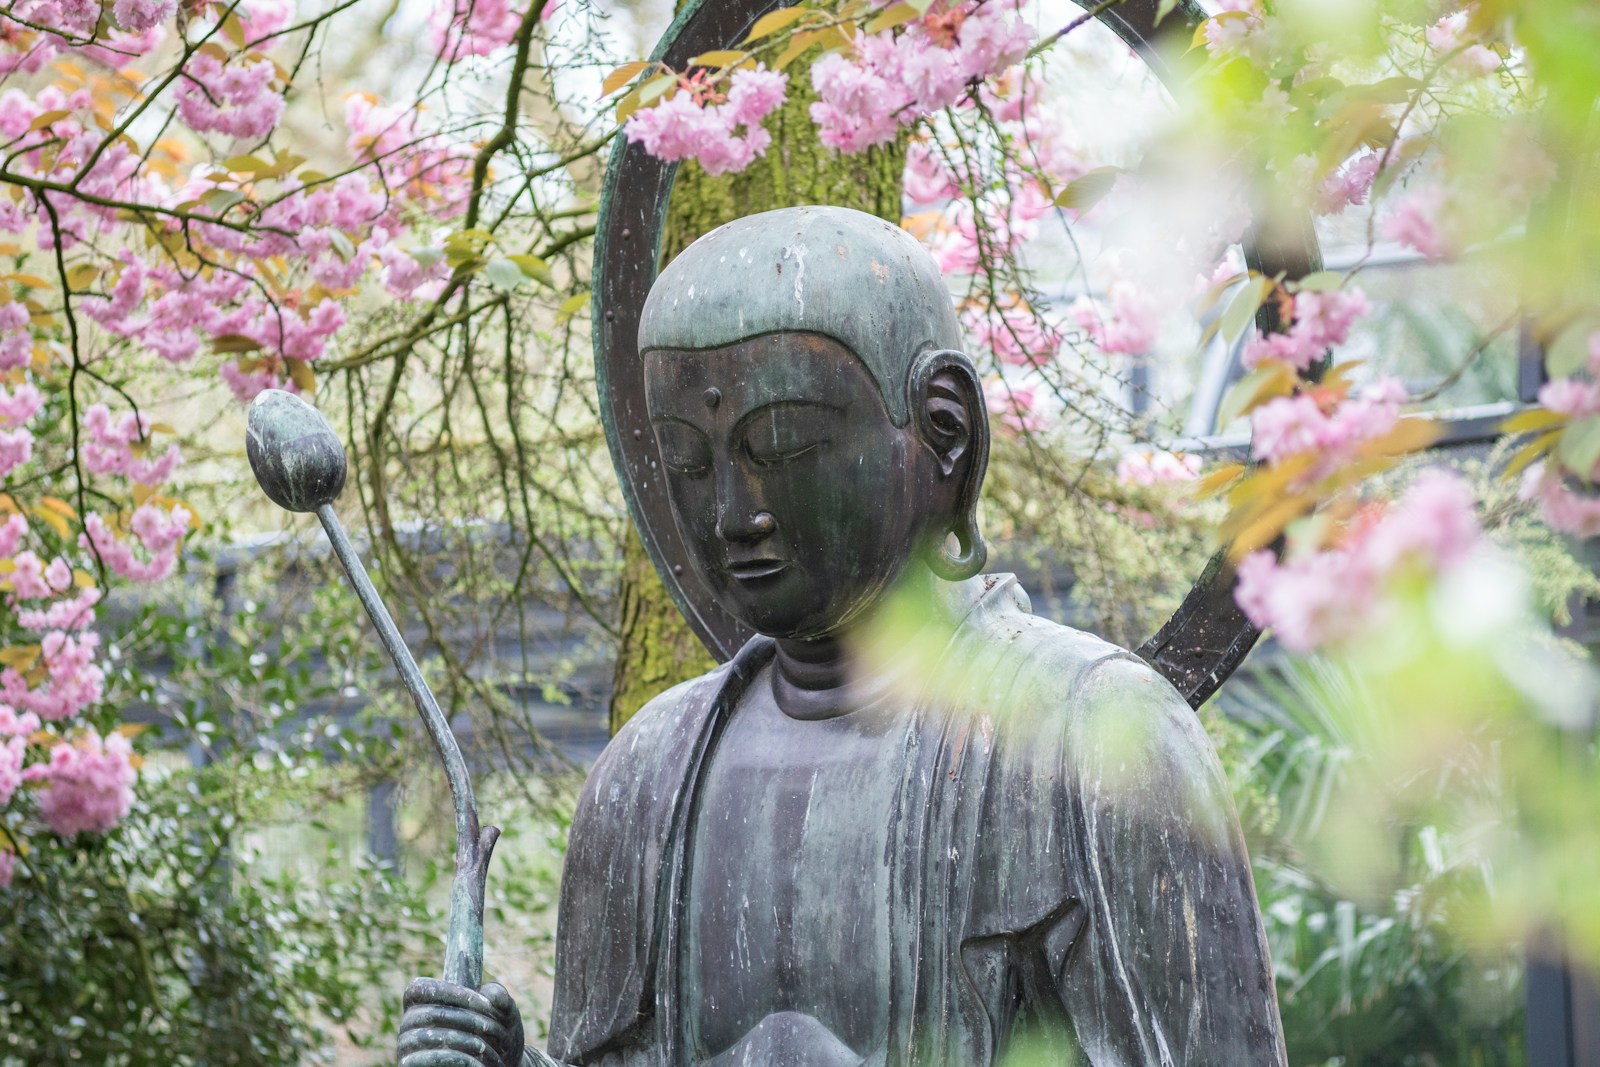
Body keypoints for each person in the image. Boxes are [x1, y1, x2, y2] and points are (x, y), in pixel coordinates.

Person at [398, 206, 1288, 1067]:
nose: (733, 512)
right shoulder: (644, 781)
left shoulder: (1092, 743)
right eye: (687, 462)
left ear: (944, 434)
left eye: (782, 447)